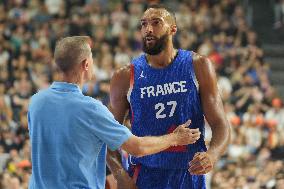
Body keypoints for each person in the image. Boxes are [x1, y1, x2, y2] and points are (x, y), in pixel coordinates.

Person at [27, 36, 201, 189]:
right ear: (86, 65)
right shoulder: (90, 108)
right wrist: (175, 138)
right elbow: (137, 147)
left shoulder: (35, 102)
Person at [108, 4, 231, 189]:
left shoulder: (198, 66)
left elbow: (221, 124)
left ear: (173, 29)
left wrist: (212, 155)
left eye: (156, 23)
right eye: (143, 24)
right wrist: (120, 176)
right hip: (144, 175)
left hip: (188, 174)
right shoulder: (125, 76)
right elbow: (109, 137)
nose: (148, 29)